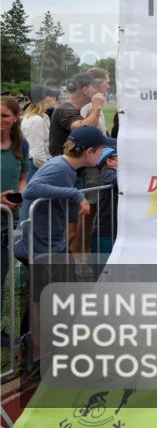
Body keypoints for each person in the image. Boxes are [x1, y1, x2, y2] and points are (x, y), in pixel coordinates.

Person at [19, 125, 108, 365]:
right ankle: (36, 354)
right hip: (40, 245)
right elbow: (32, 190)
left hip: (54, 243)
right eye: (100, 150)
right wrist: (75, 195)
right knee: (44, 300)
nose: (102, 156)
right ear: (89, 151)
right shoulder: (59, 167)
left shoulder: (69, 169)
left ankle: (48, 346)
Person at [49, 73, 105, 254]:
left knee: (71, 230)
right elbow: (84, 128)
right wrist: (96, 106)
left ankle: (62, 266)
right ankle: (51, 264)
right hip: (63, 175)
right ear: (85, 89)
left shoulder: (72, 109)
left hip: (73, 175)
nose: (98, 91)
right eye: (94, 88)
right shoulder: (66, 109)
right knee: (63, 230)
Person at [1, 96, 30, 346]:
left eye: (4, 116)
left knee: (1, 280)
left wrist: (20, 193)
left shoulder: (21, 144)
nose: (0, 121)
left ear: (15, 118)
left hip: (7, 225)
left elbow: (23, 175)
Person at [93, 147, 118, 262]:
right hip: (105, 231)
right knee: (104, 266)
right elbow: (117, 181)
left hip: (111, 229)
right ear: (110, 161)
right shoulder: (108, 173)